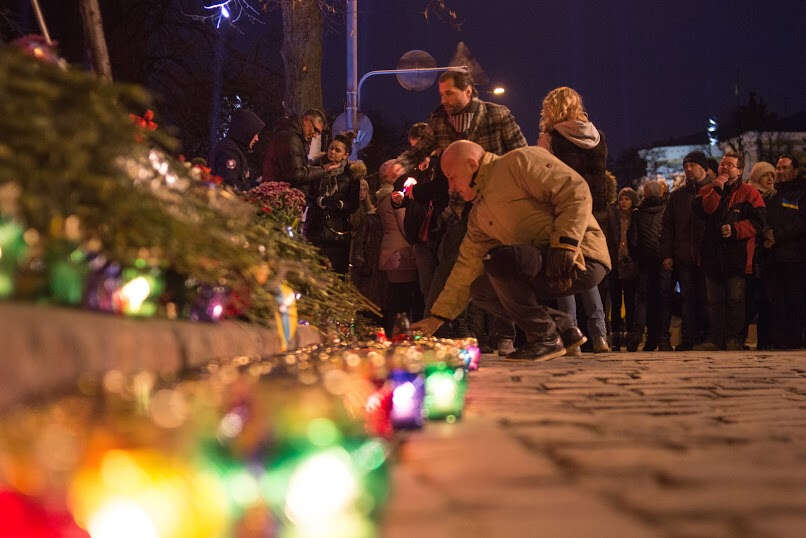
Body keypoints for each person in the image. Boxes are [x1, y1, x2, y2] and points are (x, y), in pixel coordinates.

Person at [412, 141, 611, 361]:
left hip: (581, 256)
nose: (451, 188)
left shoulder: (518, 162)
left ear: (471, 164)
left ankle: (545, 338)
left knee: (499, 259)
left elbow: (573, 190)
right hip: (543, 262)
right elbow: (465, 270)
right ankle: (561, 329)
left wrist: (565, 245)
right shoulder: (479, 215)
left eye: (452, 177)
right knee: (479, 289)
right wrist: (437, 318)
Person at [393, 69, 528, 353]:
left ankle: (505, 334)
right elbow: (421, 150)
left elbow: (521, 154)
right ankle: (432, 330)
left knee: (500, 268)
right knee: (448, 265)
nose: (444, 100)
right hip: (460, 207)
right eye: (441, 94)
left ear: (468, 91)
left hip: (495, 204)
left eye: (449, 93)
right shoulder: (440, 120)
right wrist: (400, 164)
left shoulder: (496, 115)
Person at [538, 86, 610, 353]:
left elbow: (543, 174)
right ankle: (600, 336)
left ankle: (572, 336)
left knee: (564, 267)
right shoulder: (597, 136)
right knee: (587, 267)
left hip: (565, 207)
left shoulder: (551, 137)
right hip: (594, 209)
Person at [692, 151, 765, 351]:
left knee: (735, 299)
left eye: (730, 165)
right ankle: (716, 339)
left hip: (737, 257)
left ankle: (734, 339)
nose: (724, 167)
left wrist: (735, 229)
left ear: (739, 171)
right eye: (722, 164)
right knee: (714, 301)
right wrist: (716, 190)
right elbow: (703, 211)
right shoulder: (707, 190)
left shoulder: (750, 193)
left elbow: (759, 222)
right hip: (711, 256)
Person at [660, 151, 711, 350]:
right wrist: (667, 254)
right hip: (684, 256)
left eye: (692, 165)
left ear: (703, 168)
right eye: (685, 166)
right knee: (688, 299)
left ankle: (707, 337)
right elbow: (667, 227)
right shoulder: (677, 196)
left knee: (707, 298)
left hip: (707, 256)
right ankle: (689, 338)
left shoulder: (713, 191)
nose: (688, 169)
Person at [304, 133, 360, 274]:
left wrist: (340, 204)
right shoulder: (316, 168)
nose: (332, 152)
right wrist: (319, 201)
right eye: (331, 148)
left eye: (337, 150)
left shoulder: (352, 175)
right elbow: (306, 194)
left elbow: (354, 204)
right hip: (315, 227)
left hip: (337, 232)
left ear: (345, 155)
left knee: (335, 273)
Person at [765, 154, 805, 348]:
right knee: (776, 300)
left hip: (795, 257)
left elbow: (801, 223)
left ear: (795, 171)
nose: (779, 172)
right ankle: (779, 340)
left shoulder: (801, 194)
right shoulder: (773, 194)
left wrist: (777, 236)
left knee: (795, 300)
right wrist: (766, 234)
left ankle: (794, 339)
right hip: (774, 257)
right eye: (778, 167)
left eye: (785, 168)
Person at [377, 160, 422, 336]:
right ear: (390, 174)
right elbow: (405, 225)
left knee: (396, 296)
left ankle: (393, 334)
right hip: (401, 252)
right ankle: (400, 335)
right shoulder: (395, 196)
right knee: (403, 299)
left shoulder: (382, 195)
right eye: (398, 168)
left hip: (390, 251)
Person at [630, 181, 671, 351]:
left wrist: (637, 257)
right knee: (662, 299)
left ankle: (637, 335)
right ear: (661, 193)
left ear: (645, 193)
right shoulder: (667, 210)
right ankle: (662, 339)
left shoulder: (638, 213)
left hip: (644, 262)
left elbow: (633, 240)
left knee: (643, 299)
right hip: (663, 261)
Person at [261, 108, 339, 188]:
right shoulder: (291, 138)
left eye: (318, 133)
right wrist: (324, 169)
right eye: (315, 130)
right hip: (282, 192)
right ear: (306, 120)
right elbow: (297, 174)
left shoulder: (294, 135)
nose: (315, 135)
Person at [746, 161, 777, 348]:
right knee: (750, 299)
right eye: (766, 175)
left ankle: (766, 340)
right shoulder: (750, 195)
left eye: (772, 175)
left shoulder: (774, 196)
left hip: (769, 256)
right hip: (753, 253)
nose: (770, 179)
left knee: (767, 299)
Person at [607, 188, 639, 351]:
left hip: (631, 264)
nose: (623, 202)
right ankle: (616, 337)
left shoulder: (636, 217)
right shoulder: (614, 218)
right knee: (616, 302)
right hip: (615, 263)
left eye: (627, 199)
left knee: (631, 301)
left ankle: (631, 336)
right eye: (621, 199)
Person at [211, 108, 265, 191]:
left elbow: (240, 182)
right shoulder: (229, 152)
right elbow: (231, 185)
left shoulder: (235, 150)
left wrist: (255, 184)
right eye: (255, 134)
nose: (257, 138)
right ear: (246, 132)